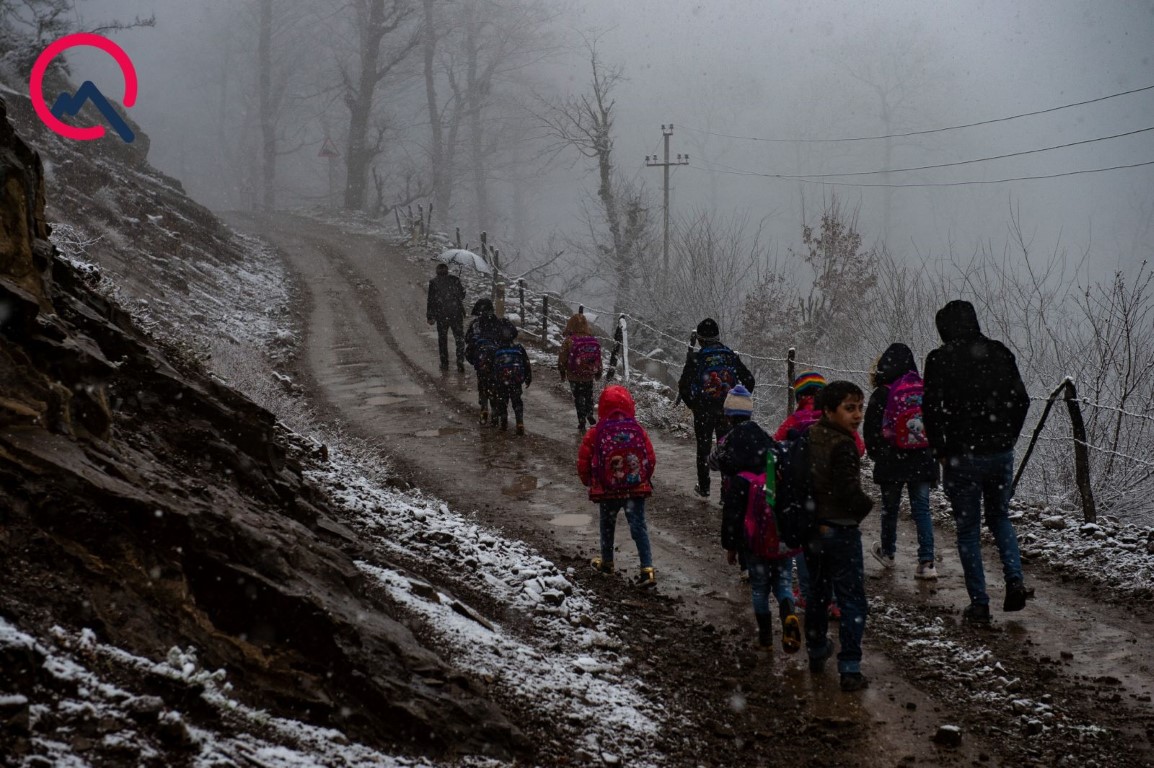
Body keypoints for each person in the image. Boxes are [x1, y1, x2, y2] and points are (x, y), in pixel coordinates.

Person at [923, 300, 1032, 625]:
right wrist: (1007, 437)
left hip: (961, 456)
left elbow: (930, 409)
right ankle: (1015, 580)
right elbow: (1022, 400)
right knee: (1000, 516)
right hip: (999, 453)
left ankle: (980, 604)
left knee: (968, 530)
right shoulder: (999, 352)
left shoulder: (939, 359)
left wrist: (941, 449)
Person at [711, 385, 802, 653]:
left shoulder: (737, 473)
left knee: (760, 588)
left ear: (728, 416)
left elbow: (732, 514)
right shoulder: (768, 449)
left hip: (753, 540)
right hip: (780, 537)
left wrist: (731, 545)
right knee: (784, 583)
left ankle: (764, 636)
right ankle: (788, 615)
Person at [803, 380, 874, 692]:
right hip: (841, 531)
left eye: (860, 408)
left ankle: (817, 651)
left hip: (813, 530)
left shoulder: (811, 435)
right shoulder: (844, 445)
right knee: (852, 599)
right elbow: (847, 491)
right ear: (829, 411)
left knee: (818, 594)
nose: (857, 415)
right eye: (849, 409)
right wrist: (864, 506)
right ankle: (850, 667)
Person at [864, 343, 939, 580]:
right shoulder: (924, 389)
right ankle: (927, 562)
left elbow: (871, 431)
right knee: (922, 509)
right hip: (923, 458)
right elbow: (936, 425)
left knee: (890, 509)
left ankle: (888, 552)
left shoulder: (883, 393)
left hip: (892, 459)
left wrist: (879, 455)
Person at [578, 385, 658, 588]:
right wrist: (643, 477)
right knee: (638, 527)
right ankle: (647, 568)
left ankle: (607, 562)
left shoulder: (597, 432)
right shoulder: (637, 429)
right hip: (635, 488)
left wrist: (589, 480)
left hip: (608, 489)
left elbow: (584, 459)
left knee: (607, 525)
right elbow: (650, 457)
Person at [678, 318, 755, 499]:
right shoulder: (730, 356)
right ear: (718, 337)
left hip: (704, 410)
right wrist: (738, 402)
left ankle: (704, 487)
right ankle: (725, 491)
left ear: (700, 339)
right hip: (728, 411)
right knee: (727, 449)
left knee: (704, 449)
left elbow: (683, 386)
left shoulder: (696, 359)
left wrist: (694, 405)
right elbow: (749, 380)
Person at [464, 298, 512, 424]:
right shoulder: (499, 323)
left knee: (483, 381)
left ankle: (484, 406)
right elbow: (509, 335)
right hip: (497, 359)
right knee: (496, 383)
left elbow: (467, 339)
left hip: (482, 359)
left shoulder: (476, 324)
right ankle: (496, 411)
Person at [557, 312, 603, 432]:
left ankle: (581, 420)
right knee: (589, 396)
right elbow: (598, 358)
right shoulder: (592, 340)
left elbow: (562, 358)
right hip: (588, 375)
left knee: (578, 397)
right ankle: (589, 414)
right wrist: (598, 372)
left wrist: (562, 372)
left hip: (574, 375)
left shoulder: (569, 341)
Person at [490, 323, 532, 435]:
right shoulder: (518, 348)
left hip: (501, 381)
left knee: (502, 402)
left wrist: (493, 381)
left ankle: (504, 423)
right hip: (516, 380)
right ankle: (519, 422)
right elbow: (526, 363)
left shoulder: (496, 350)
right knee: (517, 401)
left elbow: (492, 368)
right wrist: (528, 377)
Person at [426, 262, 466, 372]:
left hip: (442, 315)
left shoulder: (433, 283)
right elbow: (461, 296)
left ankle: (444, 363)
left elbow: (431, 301)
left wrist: (430, 316)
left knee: (442, 339)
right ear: (447, 271)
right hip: (456, 314)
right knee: (459, 338)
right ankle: (460, 360)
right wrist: (463, 291)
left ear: (437, 272)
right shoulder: (455, 280)